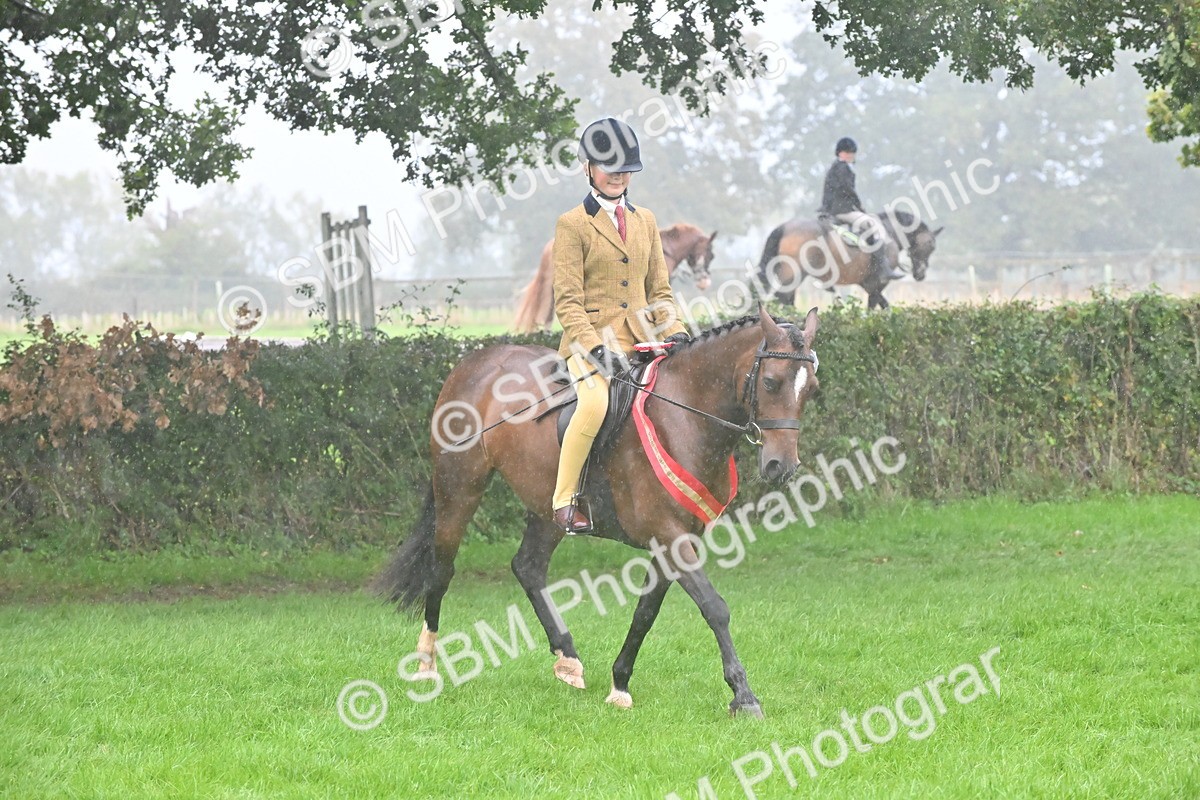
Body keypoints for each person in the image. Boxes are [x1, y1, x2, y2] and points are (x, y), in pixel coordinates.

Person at [550, 117, 691, 534]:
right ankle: (565, 500)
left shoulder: (645, 220)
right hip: (589, 344)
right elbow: (568, 302)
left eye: (626, 169)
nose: (618, 176)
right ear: (588, 168)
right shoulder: (572, 224)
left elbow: (659, 291)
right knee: (595, 405)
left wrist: (675, 331)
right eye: (609, 168)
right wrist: (596, 348)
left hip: (642, 342)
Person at [818, 137, 905, 282]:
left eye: (852, 153)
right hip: (843, 211)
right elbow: (849, 191)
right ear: (841, 153)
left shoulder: (834, 168)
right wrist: (860, 207)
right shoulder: (843, 168)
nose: (852, 155)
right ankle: (883, 268)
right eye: (849, 153)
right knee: (874, 225)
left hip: (833, 209)